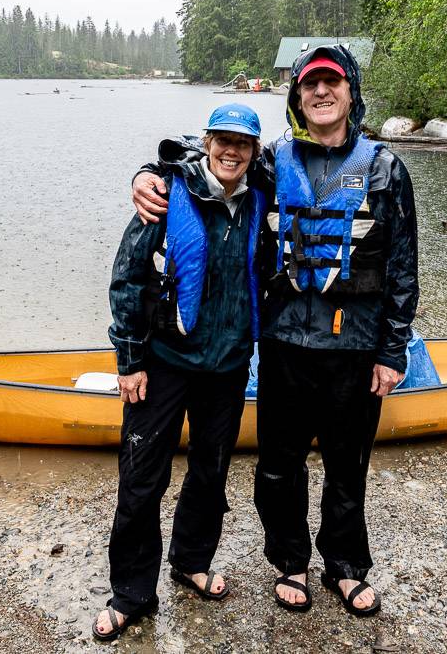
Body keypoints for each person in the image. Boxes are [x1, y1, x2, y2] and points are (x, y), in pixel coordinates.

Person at [132, 45, 419, 617]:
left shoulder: (386, 169)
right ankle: (290, 561)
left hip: (355, 347)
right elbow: (213, 160)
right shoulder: (271, 160)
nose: (320, 92)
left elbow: (403, 267)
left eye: (331, 83)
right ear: (296, 98)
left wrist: (393, 350)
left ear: (349, 93)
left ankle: (344, 565)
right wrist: (148, 173)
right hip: (285, 344)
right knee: (277, 466)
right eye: (309, 84)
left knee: (347, 466)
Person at [93, 103, 267, 641]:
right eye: (223, 140)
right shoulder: (166, 196)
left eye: (243, 143)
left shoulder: (263, 197)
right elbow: (126, 280)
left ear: (255, 152)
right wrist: (129, 361)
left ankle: (190, 560)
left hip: (228, 366)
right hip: (164, 364)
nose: (231, 151)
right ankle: (131, 591)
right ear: (207, 143)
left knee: (211, 473)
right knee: (142, 479)